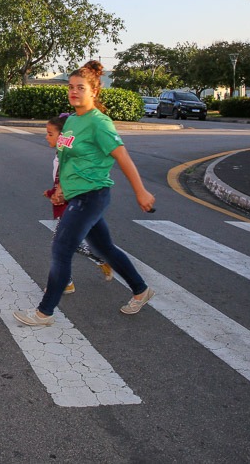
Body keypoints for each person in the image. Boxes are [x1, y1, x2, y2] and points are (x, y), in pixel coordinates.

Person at [14, 60, 155, 326]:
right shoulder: (71, 122)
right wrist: (60, 190)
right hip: (75, 195)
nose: (74, 91)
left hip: (92, 195)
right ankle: (141, 289)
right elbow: (65, 159)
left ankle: (44, 312)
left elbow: (123, 157)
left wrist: (141, 191)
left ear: (94, 92)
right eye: (70, 87)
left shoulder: (99, 123)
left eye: (80, 87)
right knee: (105, 248)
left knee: (61, 248)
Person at [43, 113, 113, 295]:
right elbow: (60, 181)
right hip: (63, 204)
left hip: (72, 206)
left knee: (60, 244)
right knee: (71, 244)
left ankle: (66, 282)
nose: (46, 137)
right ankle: (102, 258)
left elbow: (71, 182)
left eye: (51, 134)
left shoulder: (69, 157)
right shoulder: (60, 155)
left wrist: (59, 194)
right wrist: (52, 192)